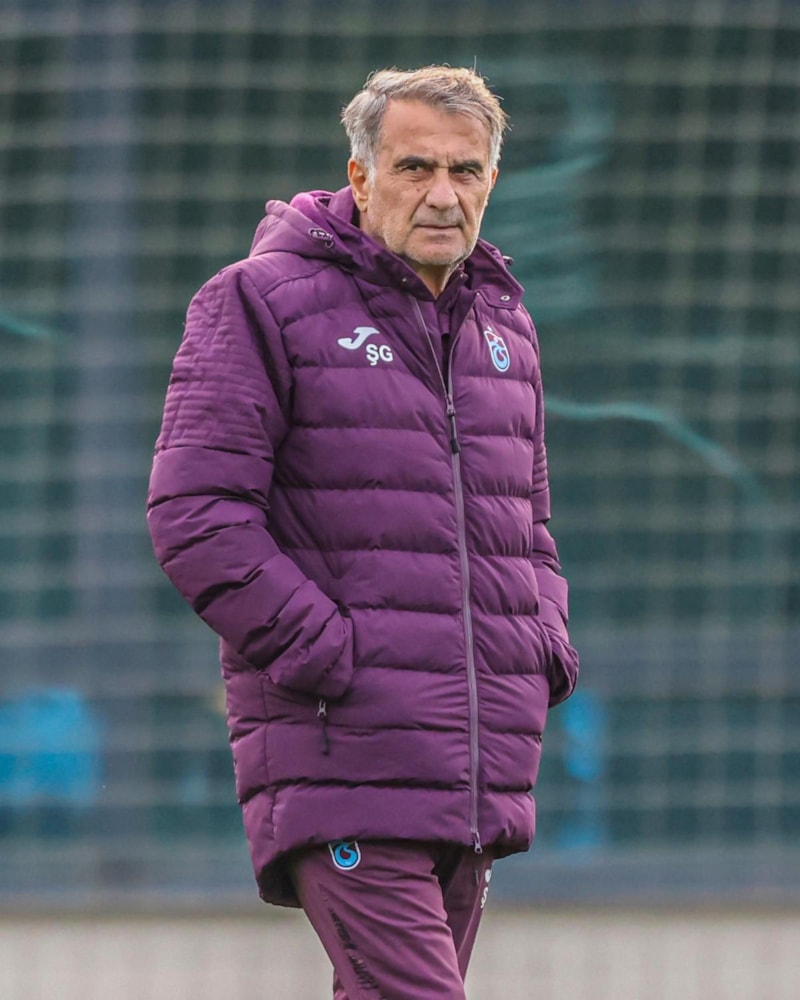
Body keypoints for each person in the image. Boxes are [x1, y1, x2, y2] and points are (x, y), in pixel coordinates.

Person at [147, 65, 579, 1000]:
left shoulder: (506, 324)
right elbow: (194, 514)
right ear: (360, 176)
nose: (443, 195)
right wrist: (333, 656)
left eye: (465, 171)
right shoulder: (257, 301)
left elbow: (530, 527)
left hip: (475, 766)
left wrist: (540, 642)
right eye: (415, 167)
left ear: (492, 181)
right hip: (344, 752)